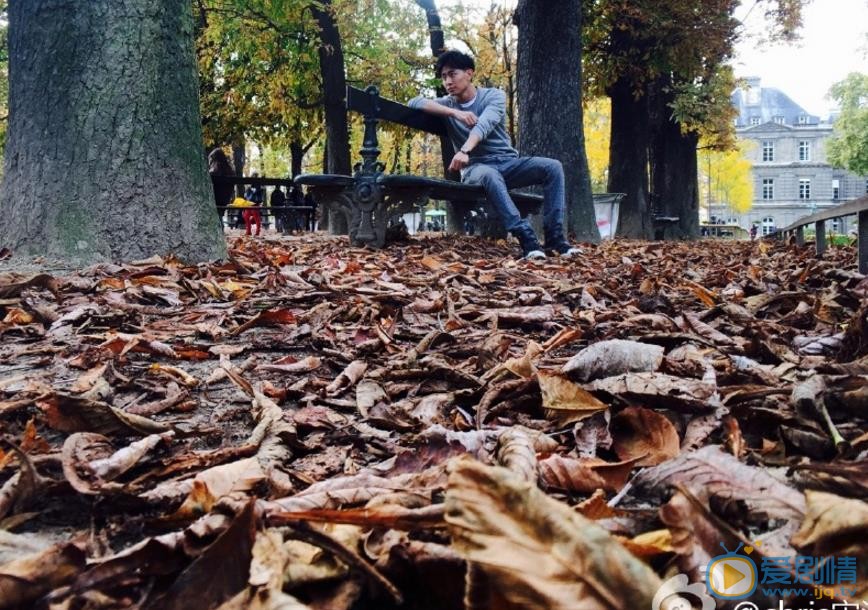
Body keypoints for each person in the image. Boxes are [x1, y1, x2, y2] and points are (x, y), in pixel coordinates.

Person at [409, 50, 581, 260]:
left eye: (452, 74)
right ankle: (526, 238)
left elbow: (484, 124)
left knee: (552, 167)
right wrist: (455, 113)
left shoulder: (494, 96)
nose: (447, 81)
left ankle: (555, 239)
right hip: (476, 168)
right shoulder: (449, 104)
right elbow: (414, 102)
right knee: (489, 174)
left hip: (508, 164)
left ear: (469, 73)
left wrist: (465, 149)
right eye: (444, 77)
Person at [208, 148, 234, 229]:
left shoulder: (214, 170)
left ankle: (219, 231)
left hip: (215, 199)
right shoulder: (229, 169)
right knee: (219, 215)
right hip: (225, 199)